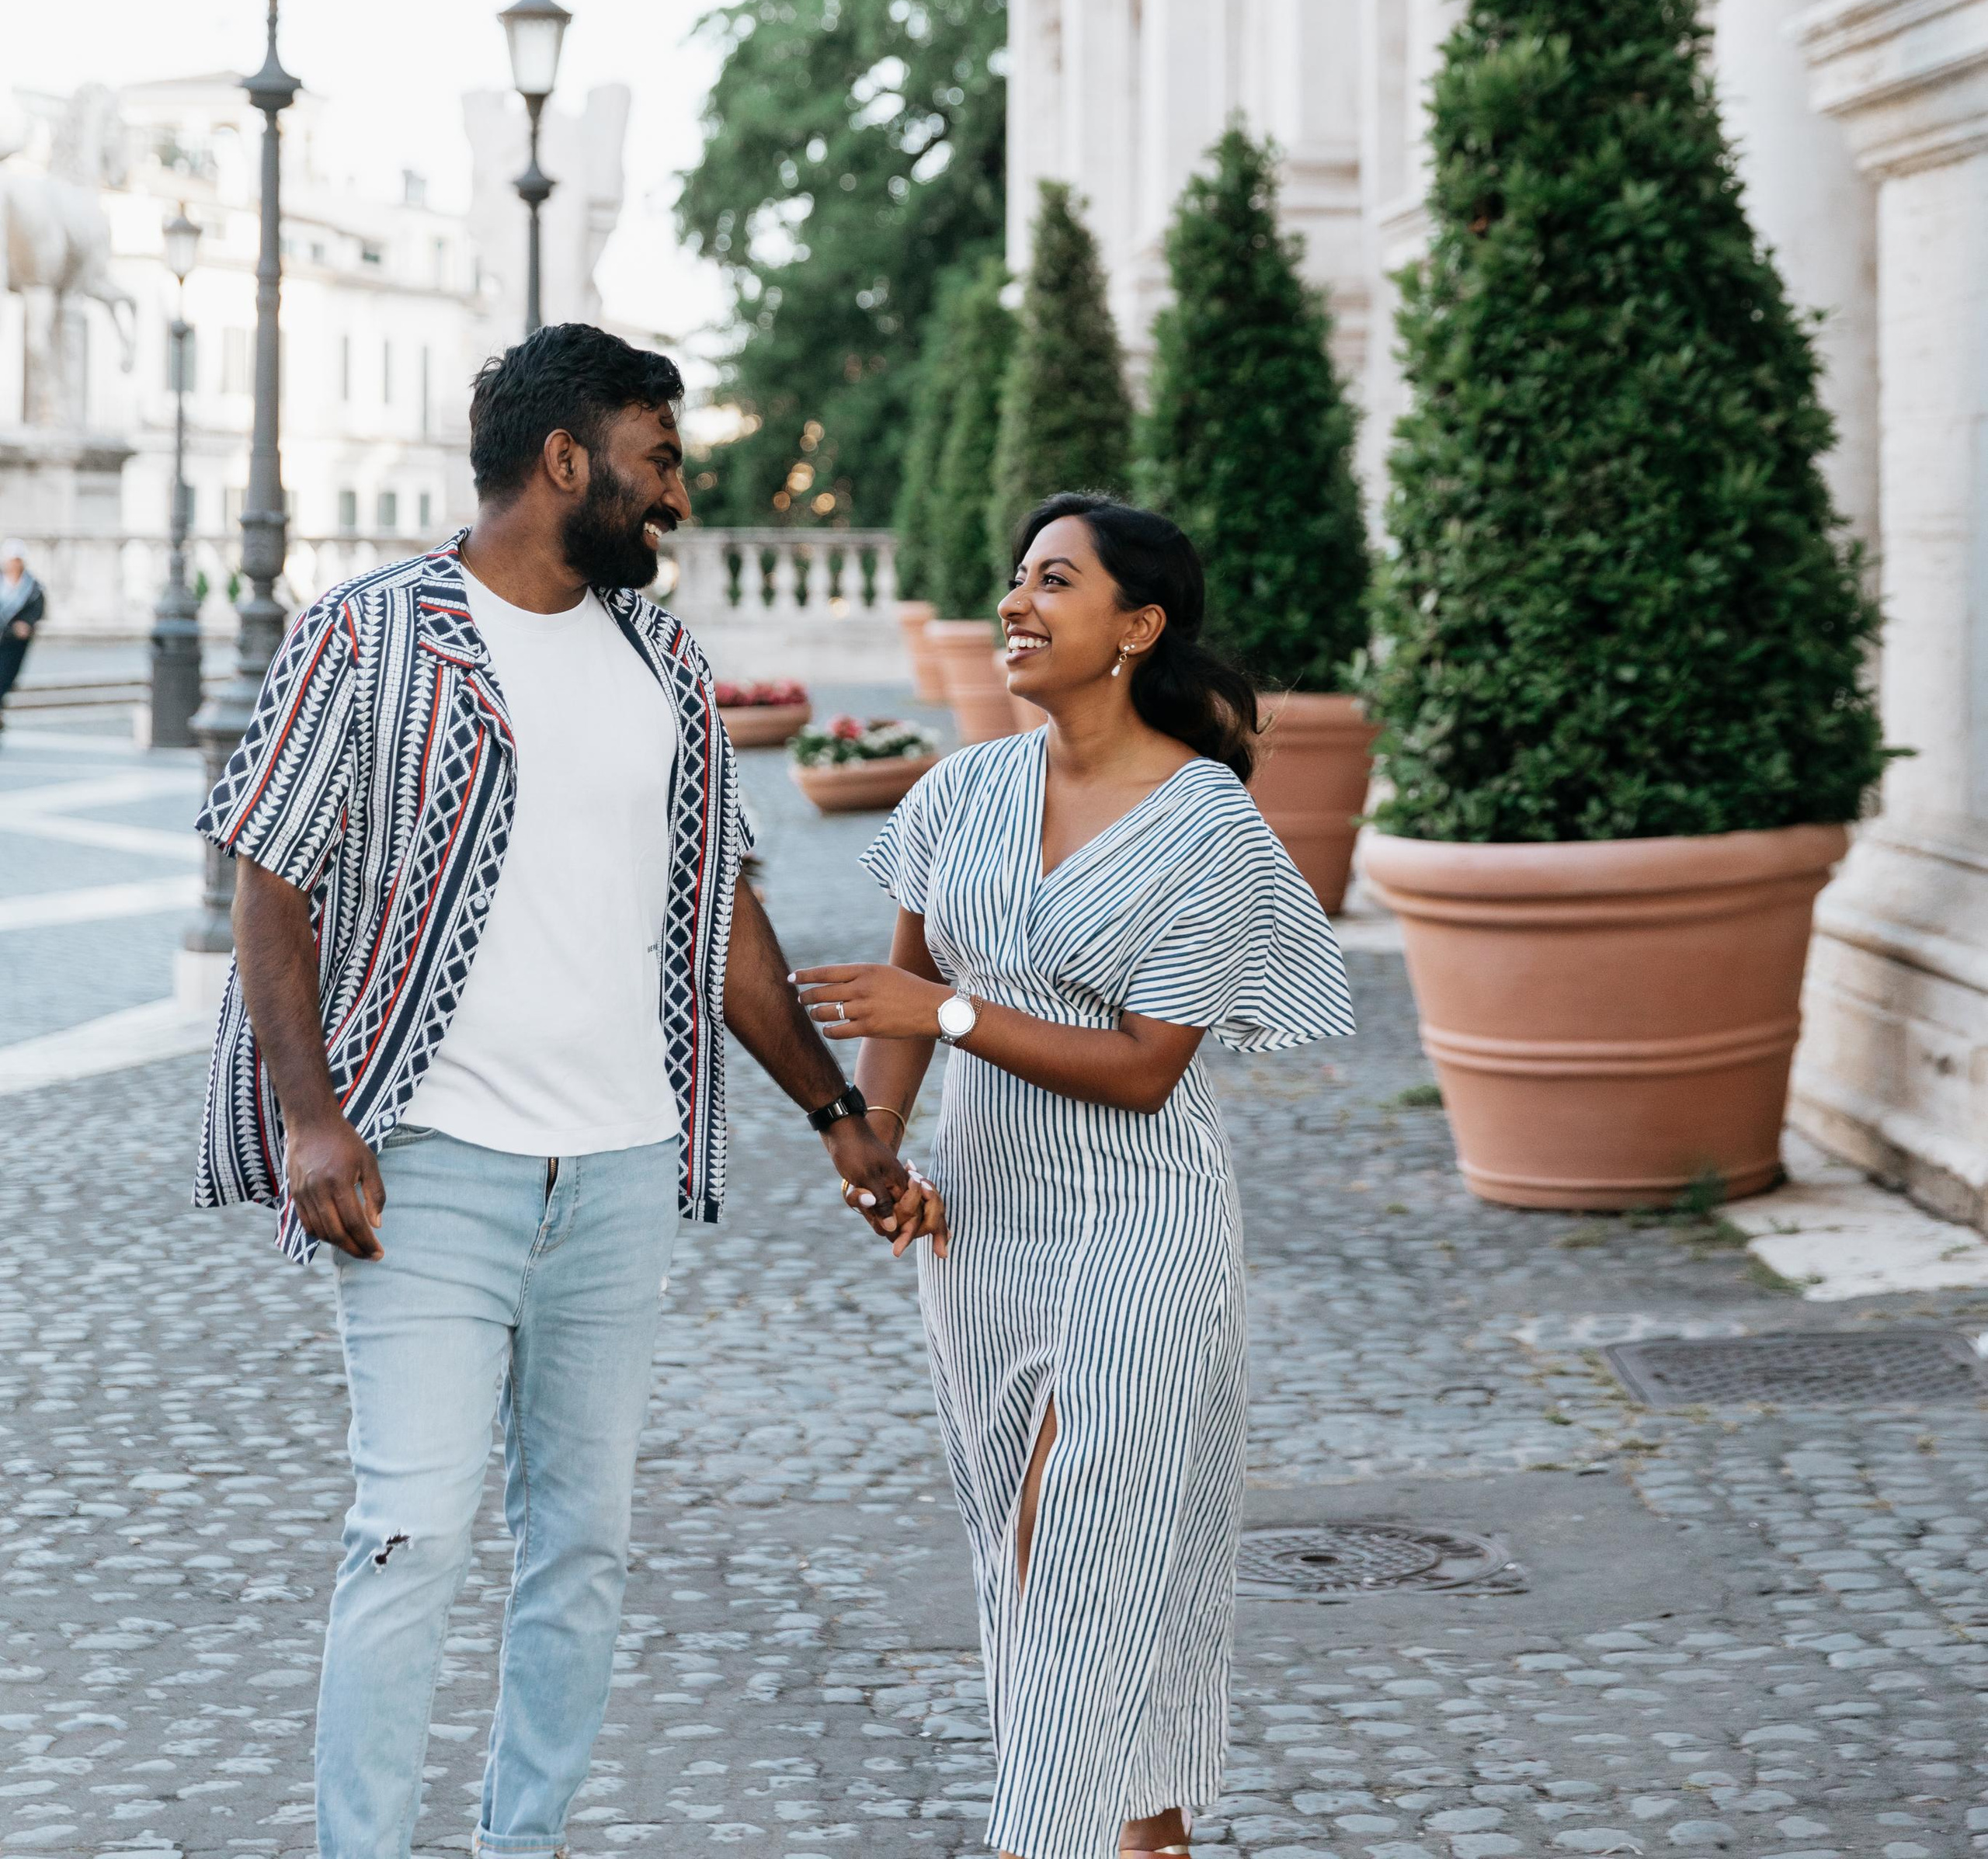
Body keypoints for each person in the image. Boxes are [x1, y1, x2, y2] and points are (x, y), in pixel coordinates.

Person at [193, 322, 946, 1859]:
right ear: (565, 461)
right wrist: (313, 1113)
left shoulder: (660, 660)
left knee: (581, 1546)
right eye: (658, 461)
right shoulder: (369, 633)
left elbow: (720, 915)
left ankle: (518, 1844)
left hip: (617, 1175)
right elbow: (265, 869)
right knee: (409, 1533)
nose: (673, 498)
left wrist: (835, 1117)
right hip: (434, 1166)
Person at [796, 492, 1356, 1859]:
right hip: (981, 1223)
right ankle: (1148, 1834)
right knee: (1032, 1543)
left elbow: (1146, 1065)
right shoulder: (961, 789)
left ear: (1137, 627)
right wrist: (875, 1152)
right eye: (1016, 577)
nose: (1017, 602)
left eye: (1057, 580)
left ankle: (1038, 1838)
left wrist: (945, 1021)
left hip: (1142, 1215)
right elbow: (905, 985)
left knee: (1078, 1529)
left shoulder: (1207, 823)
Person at [0, 542, 46, 728]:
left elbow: (37, 609)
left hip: (15, 642)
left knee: (6, 676)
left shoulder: (33, 587)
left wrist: (27, 624)